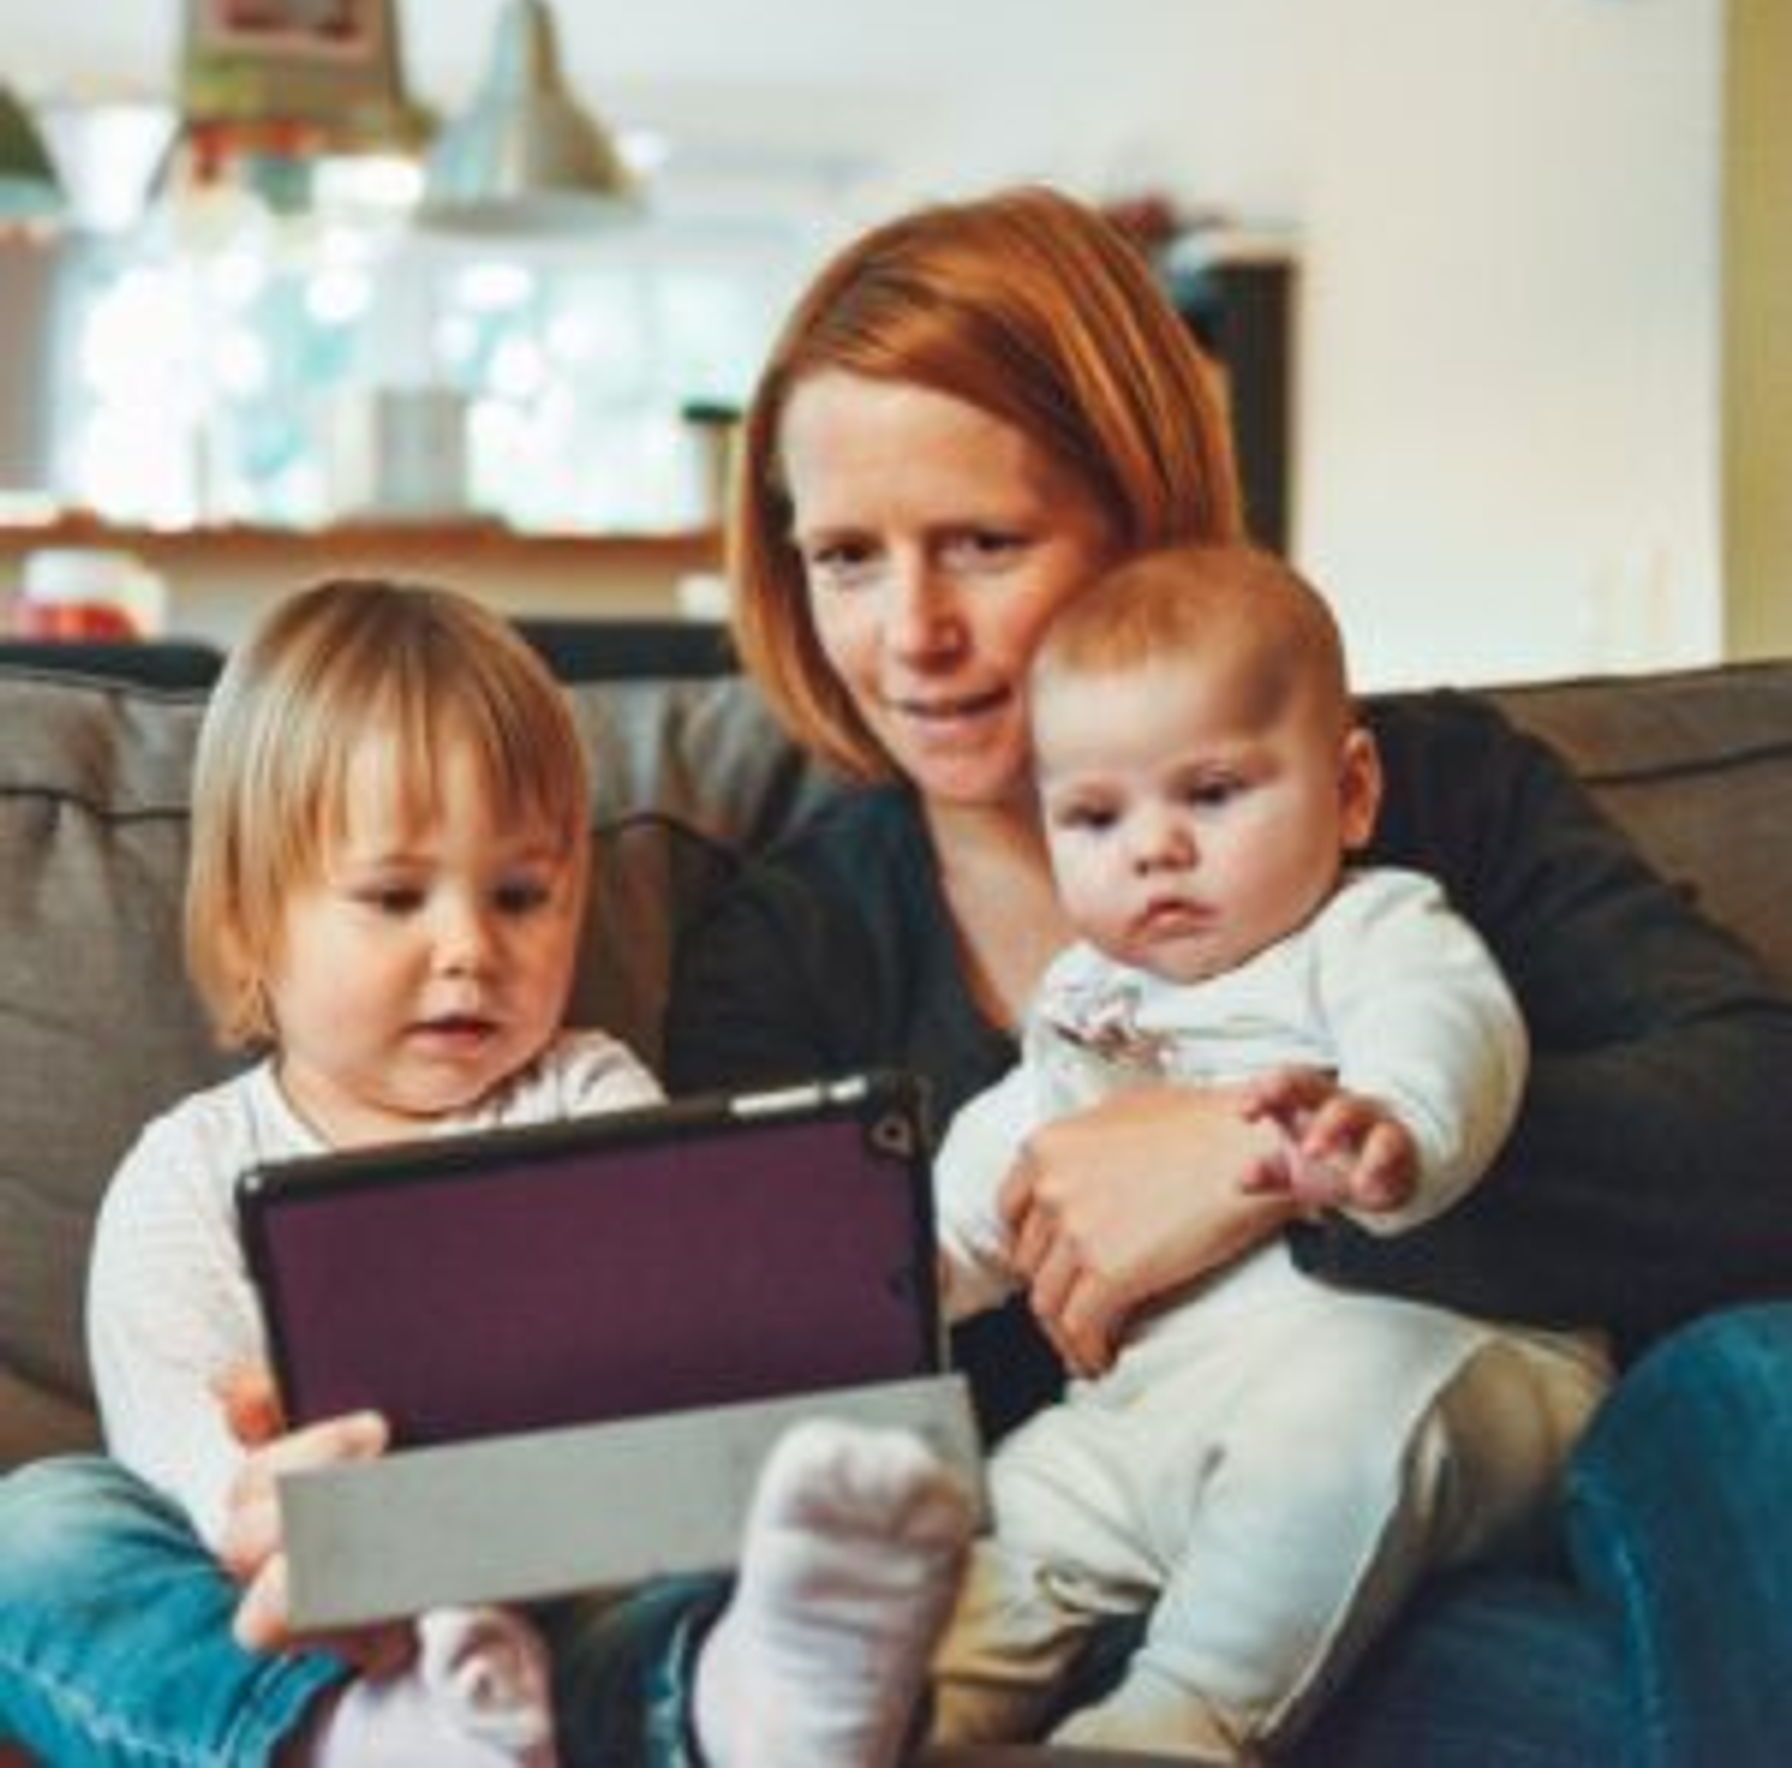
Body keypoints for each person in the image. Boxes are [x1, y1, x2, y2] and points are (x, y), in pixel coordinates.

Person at [660, 184, 1792, 1759]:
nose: (912, 630)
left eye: (983, 542)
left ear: (1142, 520)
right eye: (848, 557)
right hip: (1137, 1578)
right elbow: (786, 1387)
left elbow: (1760, 1121)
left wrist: (1263, 1157)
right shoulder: (792, 949)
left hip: (1522, 1479)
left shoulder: (1425, 792)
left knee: (1762, 1381)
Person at [0, 578, 974, 1767]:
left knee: (704, 1574)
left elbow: (678, 1343)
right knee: (39, 1530)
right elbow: (179, 1446)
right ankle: (362, 1742)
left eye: (520, 895)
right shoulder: (191, 1168)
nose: (470, 949)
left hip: (569, 1586)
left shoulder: (590, 1093)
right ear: (253, 920)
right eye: (395, 897)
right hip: (303, 1615)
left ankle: (754, 1703)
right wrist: (264, 1501)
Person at [925, 542, 1608, 1754]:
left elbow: (1446, 1023)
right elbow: (1013, 1148)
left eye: (1211, 793)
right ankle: (904, 1713)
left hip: (1438, 1371)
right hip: (1154, 1413)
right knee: (1018, 1502)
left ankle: (1173, 1722)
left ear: (1348, 792)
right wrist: (918, 1268)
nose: (1154, 848)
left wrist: (1393, 1124)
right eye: (1094, 815)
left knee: (1336, 1414)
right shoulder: (1088, 993)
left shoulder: (1368, 925)